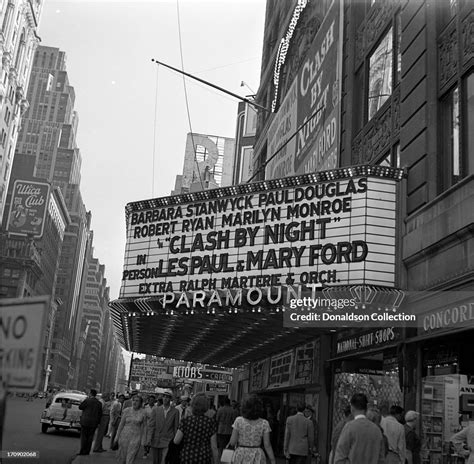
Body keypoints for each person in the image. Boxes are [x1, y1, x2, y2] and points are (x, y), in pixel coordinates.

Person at [333, 393, 385, 464]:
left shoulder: (349, 427)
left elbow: (340, 457)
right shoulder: (376, 430)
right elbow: (381, 459)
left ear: (352, 408)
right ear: (366, 408)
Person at [228, 394, 276, 464]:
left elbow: (232, 442)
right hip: (257, 455)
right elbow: (267, 445)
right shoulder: (264, 423)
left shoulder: (239, 420)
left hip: (241, 454)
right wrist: (273, 460)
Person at [173, 394, 219, 464]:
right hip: (204, 457)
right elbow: (214, 447)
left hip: (187, 457)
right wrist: (216, 461)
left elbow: (176, 441)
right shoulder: (210, 422)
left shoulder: (185, 421)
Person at [147, 389, 179, 464]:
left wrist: (175, 440)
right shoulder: (156, 410)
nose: (165, 399)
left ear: (170, 399)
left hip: (168, 439)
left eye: (167, 397)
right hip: (156, 438)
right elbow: (151, 425)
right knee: (155, 461)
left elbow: (176, 426)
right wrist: (149, 438)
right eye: (164, 397)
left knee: (164, 460)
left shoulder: (175, 411)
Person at [113, 395, 147, 464]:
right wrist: (117, 437)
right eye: (134, 400)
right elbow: (121, 425)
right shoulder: (127, 410)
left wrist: (144, 440)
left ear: (140, 403)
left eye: (137, 401)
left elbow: (145, 427)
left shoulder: (143, 412)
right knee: (122, 458)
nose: (135, 402)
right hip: (124, 436)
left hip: (136, 437)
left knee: (130, 457)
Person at [78, 389, 103, 455]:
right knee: (90, 437)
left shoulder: (87, 400)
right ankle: (87, 451)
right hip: (94, 423)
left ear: (91, 394)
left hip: (85, 421)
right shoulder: (99, 403)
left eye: (89, 393)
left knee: (84, 437)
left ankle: (82, 451)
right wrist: (98, 422)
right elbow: (100, 414)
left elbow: (80, 407)